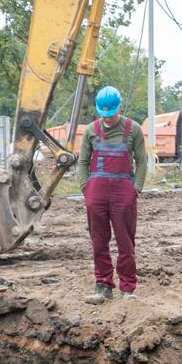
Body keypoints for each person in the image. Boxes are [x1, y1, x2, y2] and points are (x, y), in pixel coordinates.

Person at [77, 85, 148, 304]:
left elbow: (142, 160)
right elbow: (82, 162)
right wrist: (84, 187)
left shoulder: (133, 129)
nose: (107, 119)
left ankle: (128, 288)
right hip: (96, 192)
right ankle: (103, 286)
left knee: (125, 242)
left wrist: (136, 188)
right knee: (99, 241)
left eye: (111, 113)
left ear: (120, 107)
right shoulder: (90, 130)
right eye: (103, 114)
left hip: (123, 193)